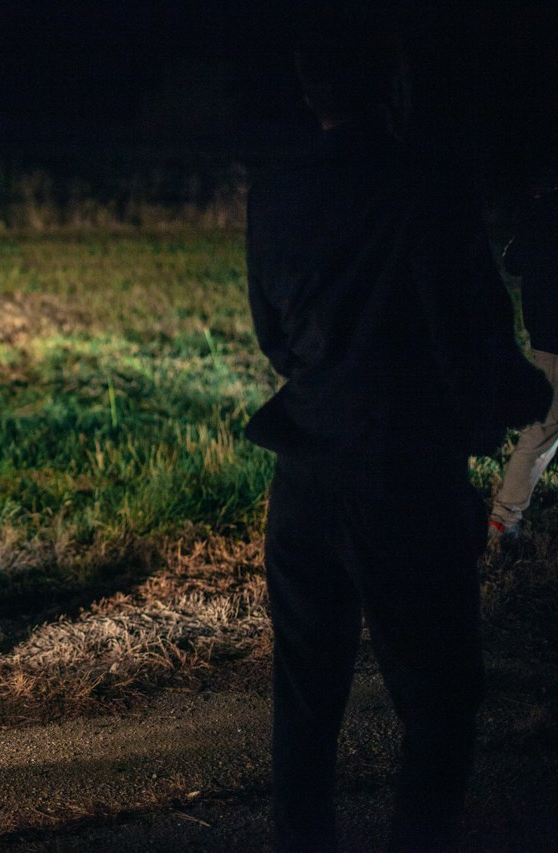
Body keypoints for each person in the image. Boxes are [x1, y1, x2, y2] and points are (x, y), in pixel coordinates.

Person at [243, 16, 551, 852]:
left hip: (305, 475)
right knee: (441, 702)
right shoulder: (431, 184)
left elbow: (276, 338)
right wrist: (518, 395)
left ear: (310, 90)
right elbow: (472, 336)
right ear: (396, 88)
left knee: (305, 705)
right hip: (406, 479)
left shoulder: (273, 192)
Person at [488, 174, 558, 541]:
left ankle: (504, 518)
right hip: (552, 338)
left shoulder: (540, 212)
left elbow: (513, 262)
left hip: (546, 336)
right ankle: (504, 519)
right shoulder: (543, 211)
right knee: (541, 433)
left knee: (541, 431)